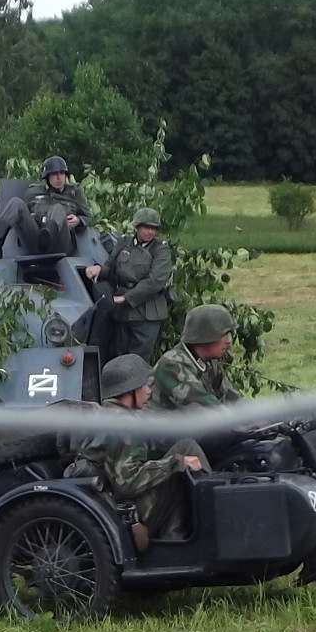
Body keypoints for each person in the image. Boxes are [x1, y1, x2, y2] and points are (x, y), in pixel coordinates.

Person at [74, 354, 209, 544]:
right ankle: (213, 522)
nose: (149, 391)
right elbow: (126, 484)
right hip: (126, 513)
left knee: (182, 451)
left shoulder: (107, 415)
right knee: (184, 455)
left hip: (110, 505)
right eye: (144, 385)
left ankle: (175, 537)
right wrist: (175, 463)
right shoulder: (124, 425)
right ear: (129, 391)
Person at [84, 207, 173, 364]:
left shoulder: (161, 249)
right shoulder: (124, 242)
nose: (150, 231)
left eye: (154, 228)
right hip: (122, 312)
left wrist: (126, 298)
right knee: (118, 357)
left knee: (138, 361)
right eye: (146, 227)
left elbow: (155, 281)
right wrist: (99, 269)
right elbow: (111, 267)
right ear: (137, 227)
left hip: (147, 312)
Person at [0, 155, 91, 258]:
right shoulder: (33, 191)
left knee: (58, 208)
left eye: (62, 173)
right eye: (54, 174)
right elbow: (22, 216)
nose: (59, 177)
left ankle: (47, 234)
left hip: (60, 242)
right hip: (36, 239)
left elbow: (89, 217)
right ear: (47, 176)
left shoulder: (74, 193)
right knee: (16, 202)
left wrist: (79, 220)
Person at [150, 303, 244, 410]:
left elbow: (232, 398)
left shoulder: (209, 362)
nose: (229, 340)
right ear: (204, 336)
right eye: (224, 334)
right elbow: (209, 409)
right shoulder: (172, 365)